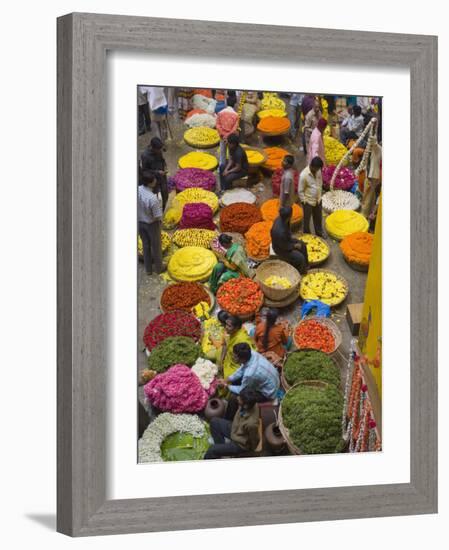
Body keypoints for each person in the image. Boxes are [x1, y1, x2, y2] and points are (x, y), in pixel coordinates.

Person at [203, 388, 260, 459]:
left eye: (240, 398)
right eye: (239, 396)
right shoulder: (250, 403)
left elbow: (254, 439)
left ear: (246, 405)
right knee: (214, 421)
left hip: (240, 444)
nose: (238, 398)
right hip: (234, 428)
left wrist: (252, 450)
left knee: (212, 450)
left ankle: (218, 451)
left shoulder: (251, 424)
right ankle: (221, 451)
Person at [138, 171, 165, 275]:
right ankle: (159, 268)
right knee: (156, 246)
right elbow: (157, 216)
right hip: (151, 224)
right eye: (154, 180)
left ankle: (148, 269)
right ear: (150, 183)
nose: (156, 180)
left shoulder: (138, 189)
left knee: (145, 244)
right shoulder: (152, 198)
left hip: (140, 222)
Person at [271, 206, 309, 274]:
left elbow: (288, 233)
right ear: (289, 216)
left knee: (303, 245)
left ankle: (306, 265)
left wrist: (293, 236)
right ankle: (299, 273)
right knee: (300, 258)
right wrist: (294, 246)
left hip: (286, 240)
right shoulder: (280, 232)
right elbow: (284, 246)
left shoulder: (283, 219)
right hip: (280, 249)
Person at [219, 315, 255, 381]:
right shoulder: (230, 333)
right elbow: (225, 345)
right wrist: (221, 361)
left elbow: (248, 357)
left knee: (227, 379)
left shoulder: (241, 339)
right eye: (226, 324)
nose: (226, 327)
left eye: (229, 326)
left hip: (237, 364)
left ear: (236, 328)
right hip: (230, 357)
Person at [298, 156, 325, 237]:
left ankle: (319, 232)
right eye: (317, 169)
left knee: (318, 217)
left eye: (319, 169)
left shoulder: (318, 170)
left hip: (318, 199)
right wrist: (304, 201)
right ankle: (307, 234)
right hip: (308, 201)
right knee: (307, 219)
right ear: (312, 166)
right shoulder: (304, 175)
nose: (318, 170)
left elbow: (320, 181)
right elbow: (300, 190)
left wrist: (320, 194)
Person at [140, 137, 169, 210]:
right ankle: (155, 210)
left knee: (165, 193)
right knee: (154, 195)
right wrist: (157, 172)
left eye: (160, 149)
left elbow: (162, 160)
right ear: (153, 148)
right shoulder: (145, 156)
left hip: (162, 177)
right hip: (153, 179)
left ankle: (164, 208)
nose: (160, 151)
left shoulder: (158, 151)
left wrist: (165, 166)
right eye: (159, 150)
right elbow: (145, 171)